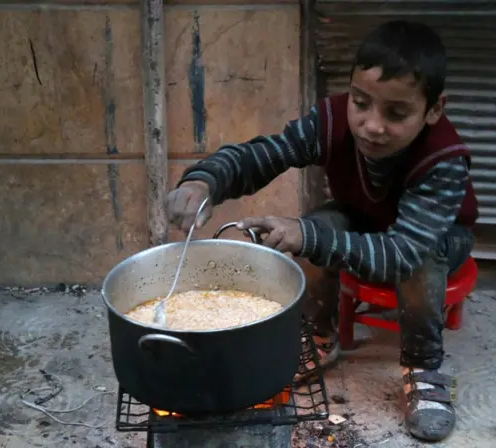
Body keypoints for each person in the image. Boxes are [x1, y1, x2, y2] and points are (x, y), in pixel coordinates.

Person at [165, 20, 478, 442]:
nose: (371, 124)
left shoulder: (443, 159)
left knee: (413, 258)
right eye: (361, 103)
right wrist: (205, 181)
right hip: (363, 219)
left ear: (434, 109)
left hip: (433, 240)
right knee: (317, 224)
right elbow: (266, 154)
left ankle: (423, 367)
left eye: (396, 113)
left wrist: (307, 238)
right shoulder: (331, 121)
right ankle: (319, 336)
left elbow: (402, 252)